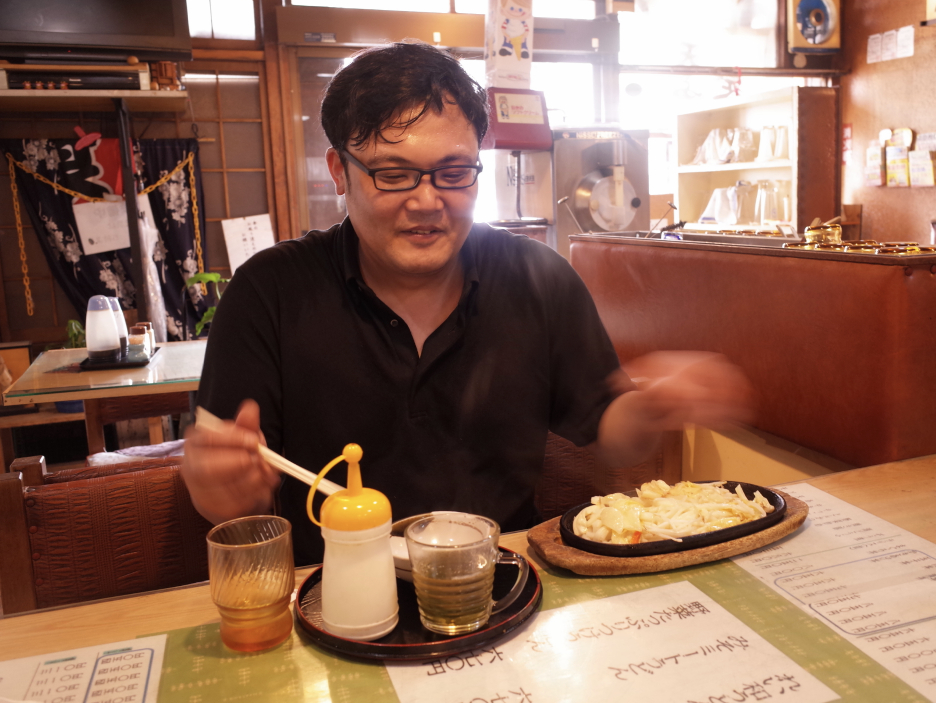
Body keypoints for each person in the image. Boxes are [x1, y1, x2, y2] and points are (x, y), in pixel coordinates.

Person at [183, 41, 751, 566]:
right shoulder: (269, 293)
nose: (428, 201)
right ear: (340, 172)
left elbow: (610, 433)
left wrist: (652, 407)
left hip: (504, 584)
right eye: (394, 174)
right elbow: (227, 504)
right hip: (335, 593)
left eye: (454, 173)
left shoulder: (537, 278)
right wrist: (218, 488)